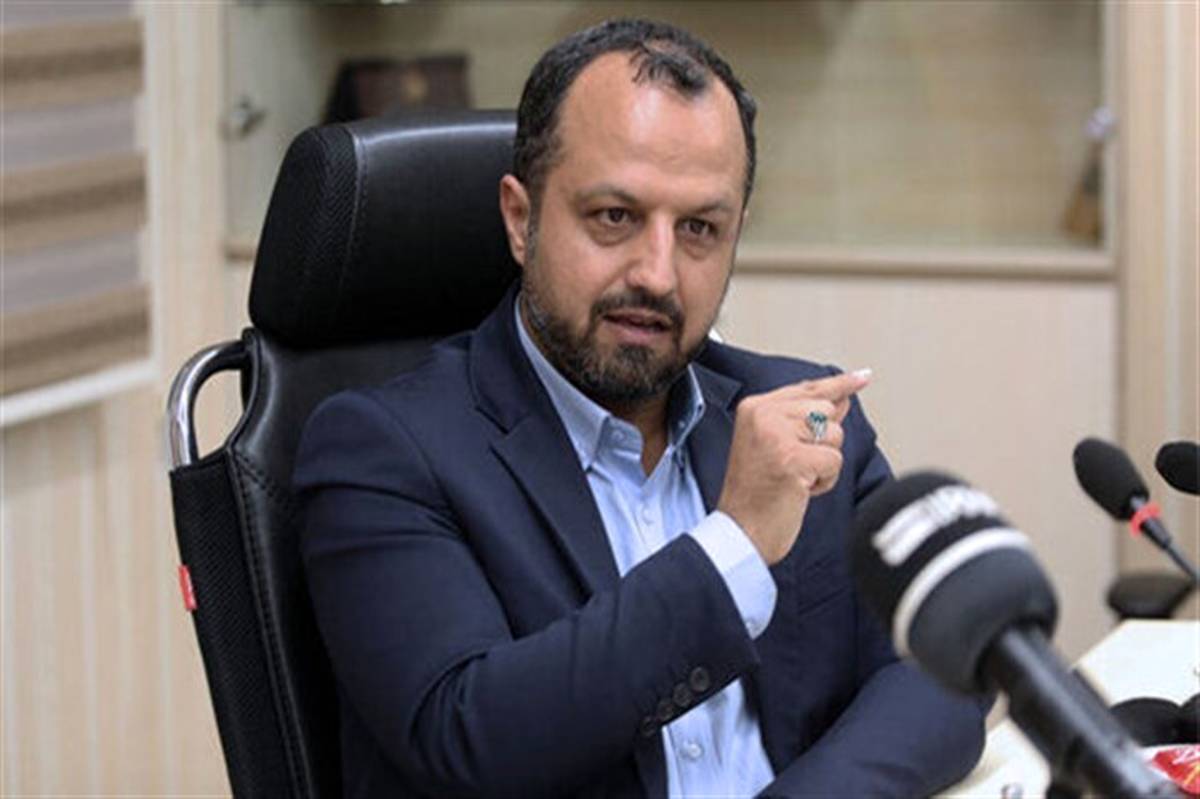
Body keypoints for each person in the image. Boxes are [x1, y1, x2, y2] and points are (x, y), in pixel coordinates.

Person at [294, 18, 986, 799]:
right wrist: (733, 544)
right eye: (615, 217)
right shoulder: (383, 450)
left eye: (699, 229)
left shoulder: (804, 422)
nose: (657, 273)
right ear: (521, 218)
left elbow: (946, 666)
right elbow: (468, 735)